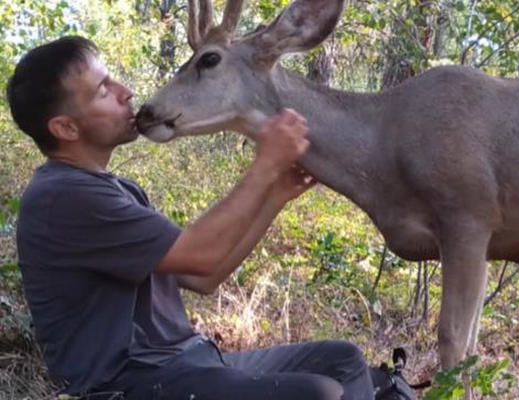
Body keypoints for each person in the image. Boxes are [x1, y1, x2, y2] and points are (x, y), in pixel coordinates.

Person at [7, 36, 376, 400]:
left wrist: (275, 195)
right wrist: (266, 163)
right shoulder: (63, 196)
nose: (126, 92)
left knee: (341, 362)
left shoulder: (117, 189)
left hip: (187, 364)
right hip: (131, 382)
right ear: (65, 128)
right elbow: (199, 254)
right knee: (317, 393)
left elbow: (205, 276)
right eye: (103, 90)